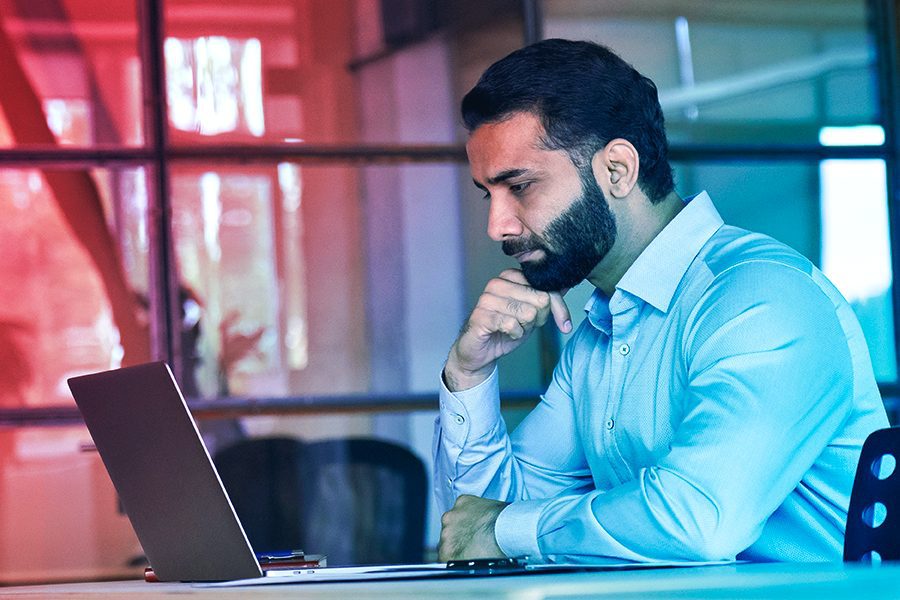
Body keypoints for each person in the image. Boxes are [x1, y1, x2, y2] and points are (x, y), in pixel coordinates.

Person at [433, 38, 889, 564]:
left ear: (618, 170)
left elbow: (699, 523)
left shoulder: (762, 299)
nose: (498, 226)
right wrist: (469, 376)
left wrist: (505, 528)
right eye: (488, 194)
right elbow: (480, 524)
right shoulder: (598, 336)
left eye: (521, 186)